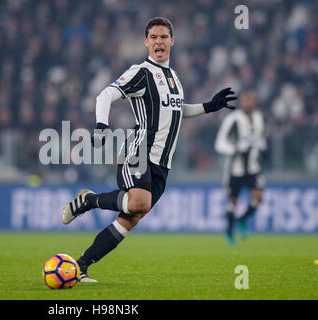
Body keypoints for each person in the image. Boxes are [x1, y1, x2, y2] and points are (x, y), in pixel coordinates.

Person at [61, 17, 237, 282]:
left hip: (161, 164)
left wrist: (209, 107)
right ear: (145, 42)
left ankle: (80, 267)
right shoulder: (141, 71)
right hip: (138, 151)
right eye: (153, 37)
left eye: (164, 37)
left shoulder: (174, 77)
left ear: (172, 41)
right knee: (139, 202)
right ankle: (89, 200)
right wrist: (100, 124)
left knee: (131, 218)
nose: (159, 41)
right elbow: (105, 94)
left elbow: (177, 111)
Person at [214, 90, 267, 245]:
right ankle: (229, 234)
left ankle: (242, 219)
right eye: (245, 100)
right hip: (235, 168)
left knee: (258, 198)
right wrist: (234, 149)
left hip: (253, 166)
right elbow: (219, 143)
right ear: (241, 102)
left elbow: (260, 138)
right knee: (233, 201)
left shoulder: (259, 118)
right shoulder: (232, 119)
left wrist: (264, 148)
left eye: (251, 99)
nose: (248, 103)